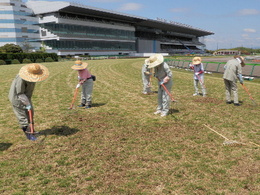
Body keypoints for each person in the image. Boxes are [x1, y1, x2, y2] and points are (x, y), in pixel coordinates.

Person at [9, 63, 49, 141]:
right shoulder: (21, 78)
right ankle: (28, 134)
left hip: (26, 97)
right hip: (18, 98)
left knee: (30, 113)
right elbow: (20, 93)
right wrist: (27, 104)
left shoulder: (31, 76)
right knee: (23, 117)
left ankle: (32, 130)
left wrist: (28, 103)